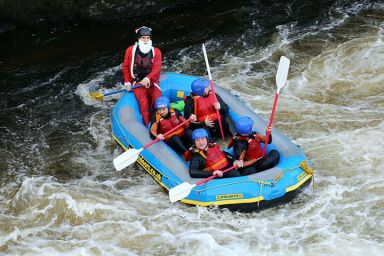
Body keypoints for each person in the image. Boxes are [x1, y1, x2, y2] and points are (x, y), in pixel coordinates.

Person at [122, 26, 162, 126]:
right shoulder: (130, 50)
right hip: (137, 82)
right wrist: (127, 82)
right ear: (138, 38)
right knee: (144, 105)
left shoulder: (156, 52)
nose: (146, 40)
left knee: (159, 101)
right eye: (143, 37)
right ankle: (148, 125)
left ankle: (161, 123)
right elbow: (126, 66)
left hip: (151, 82)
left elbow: (157, 68)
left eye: (148, 38)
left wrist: (148, 78)